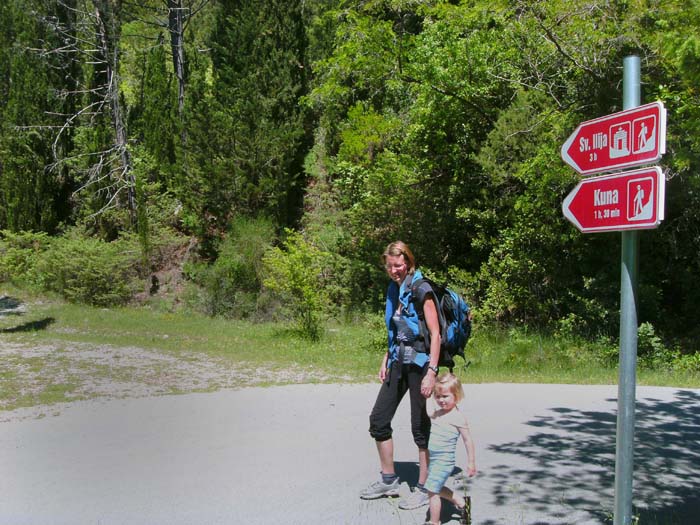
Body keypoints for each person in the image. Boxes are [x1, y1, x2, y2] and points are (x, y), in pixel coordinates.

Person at [360, 241, 442, 510]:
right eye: (390, 266)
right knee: (379, 419)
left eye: (398, 265)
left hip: (420, 364)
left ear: (408, 262)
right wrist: (386, 357)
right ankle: (389, 480)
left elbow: (436, 334)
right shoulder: (393, 289)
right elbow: (395, 329)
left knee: (420, 427)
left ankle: (424, 487)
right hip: (398, 361)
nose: (394, 270)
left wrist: (432, 371)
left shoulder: (422, 289)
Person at [423, 373, 477, 525]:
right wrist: (428, 397)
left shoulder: (458, 417)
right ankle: (461, 502)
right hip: (434, 459)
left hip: (445, 461)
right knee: (434, 487)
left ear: (457, 396)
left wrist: (471, 462)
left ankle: (434, 522)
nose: (441, 400)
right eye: (438, 396)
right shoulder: (439, 412)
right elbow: (429, 413)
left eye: (445, 396)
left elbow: (468, 440)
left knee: (432, 492)